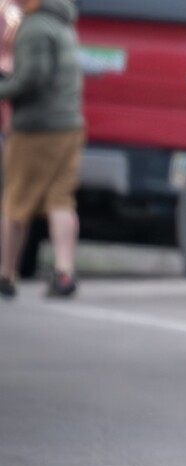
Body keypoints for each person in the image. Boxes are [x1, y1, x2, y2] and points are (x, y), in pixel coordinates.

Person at [0, 0, 83, 300]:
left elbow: (32, 78)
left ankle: (6, 274)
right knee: (60, 200)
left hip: (36, 129)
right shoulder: (63, 24)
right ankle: (64, 273)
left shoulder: (34, 28)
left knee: (15, 201)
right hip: (68, 125)